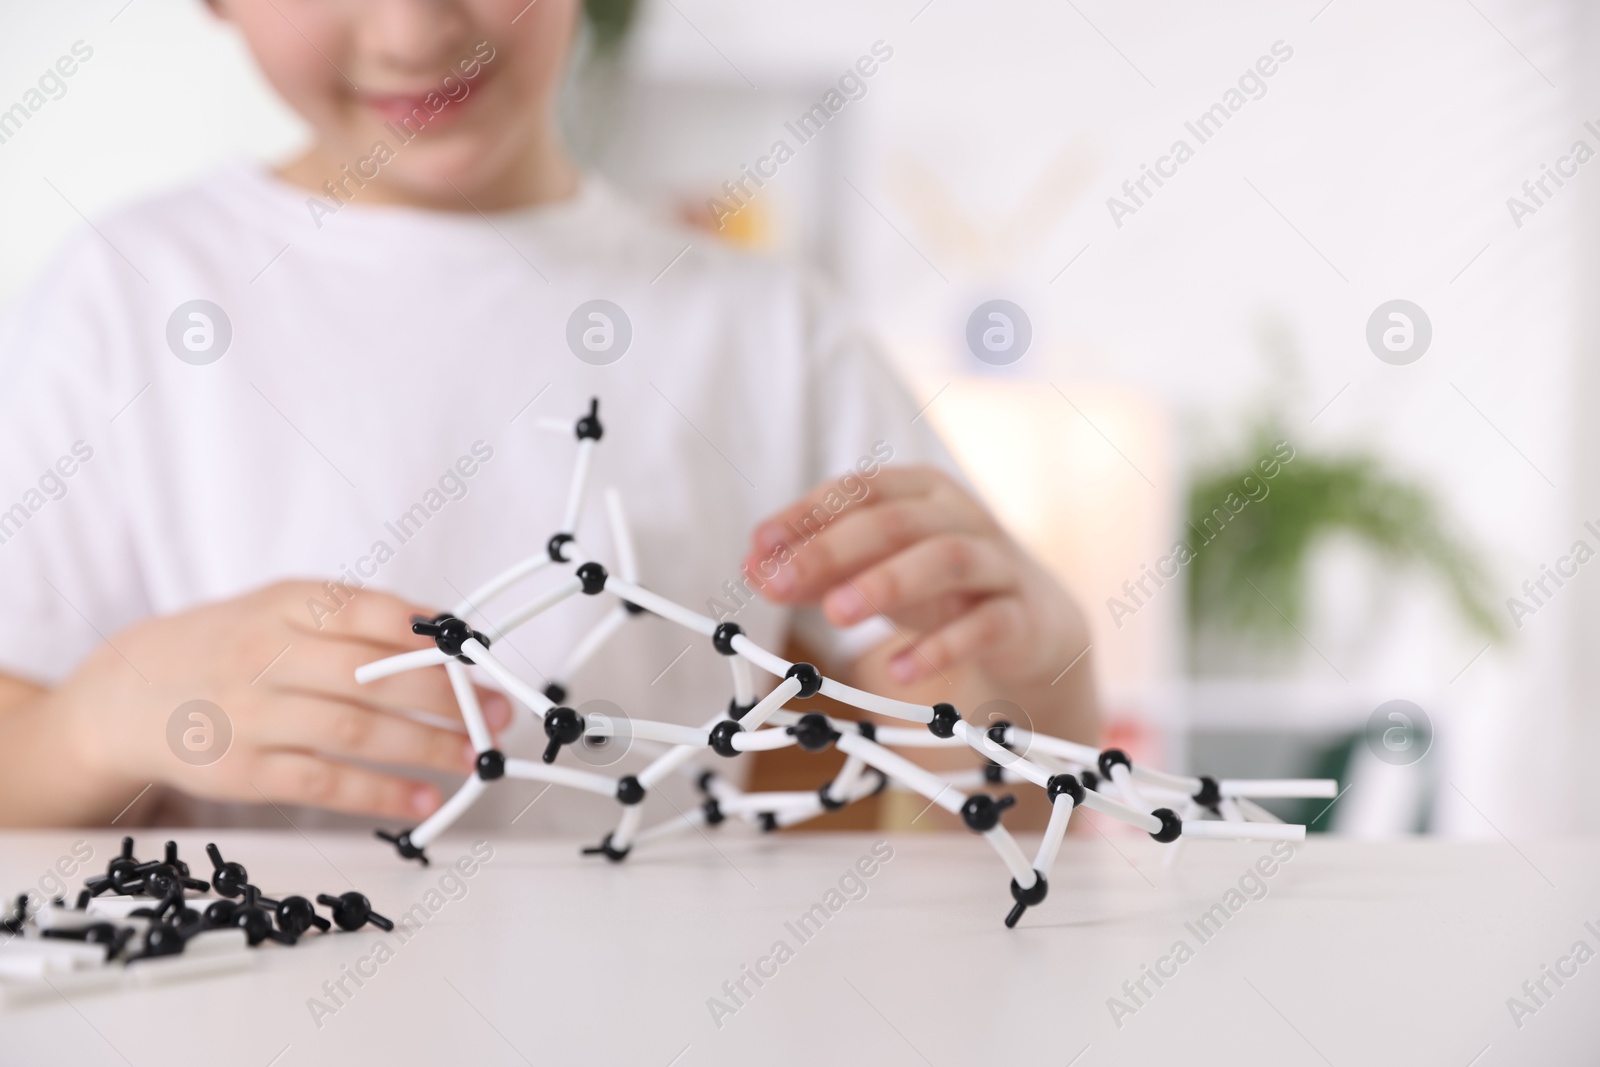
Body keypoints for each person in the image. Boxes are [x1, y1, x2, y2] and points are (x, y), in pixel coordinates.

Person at [0, 0, 1096, 832]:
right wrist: (96, 717)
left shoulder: (768, 327)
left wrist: (1050, 661)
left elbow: (1000, 779)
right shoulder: (125, 295)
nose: (413, 29)